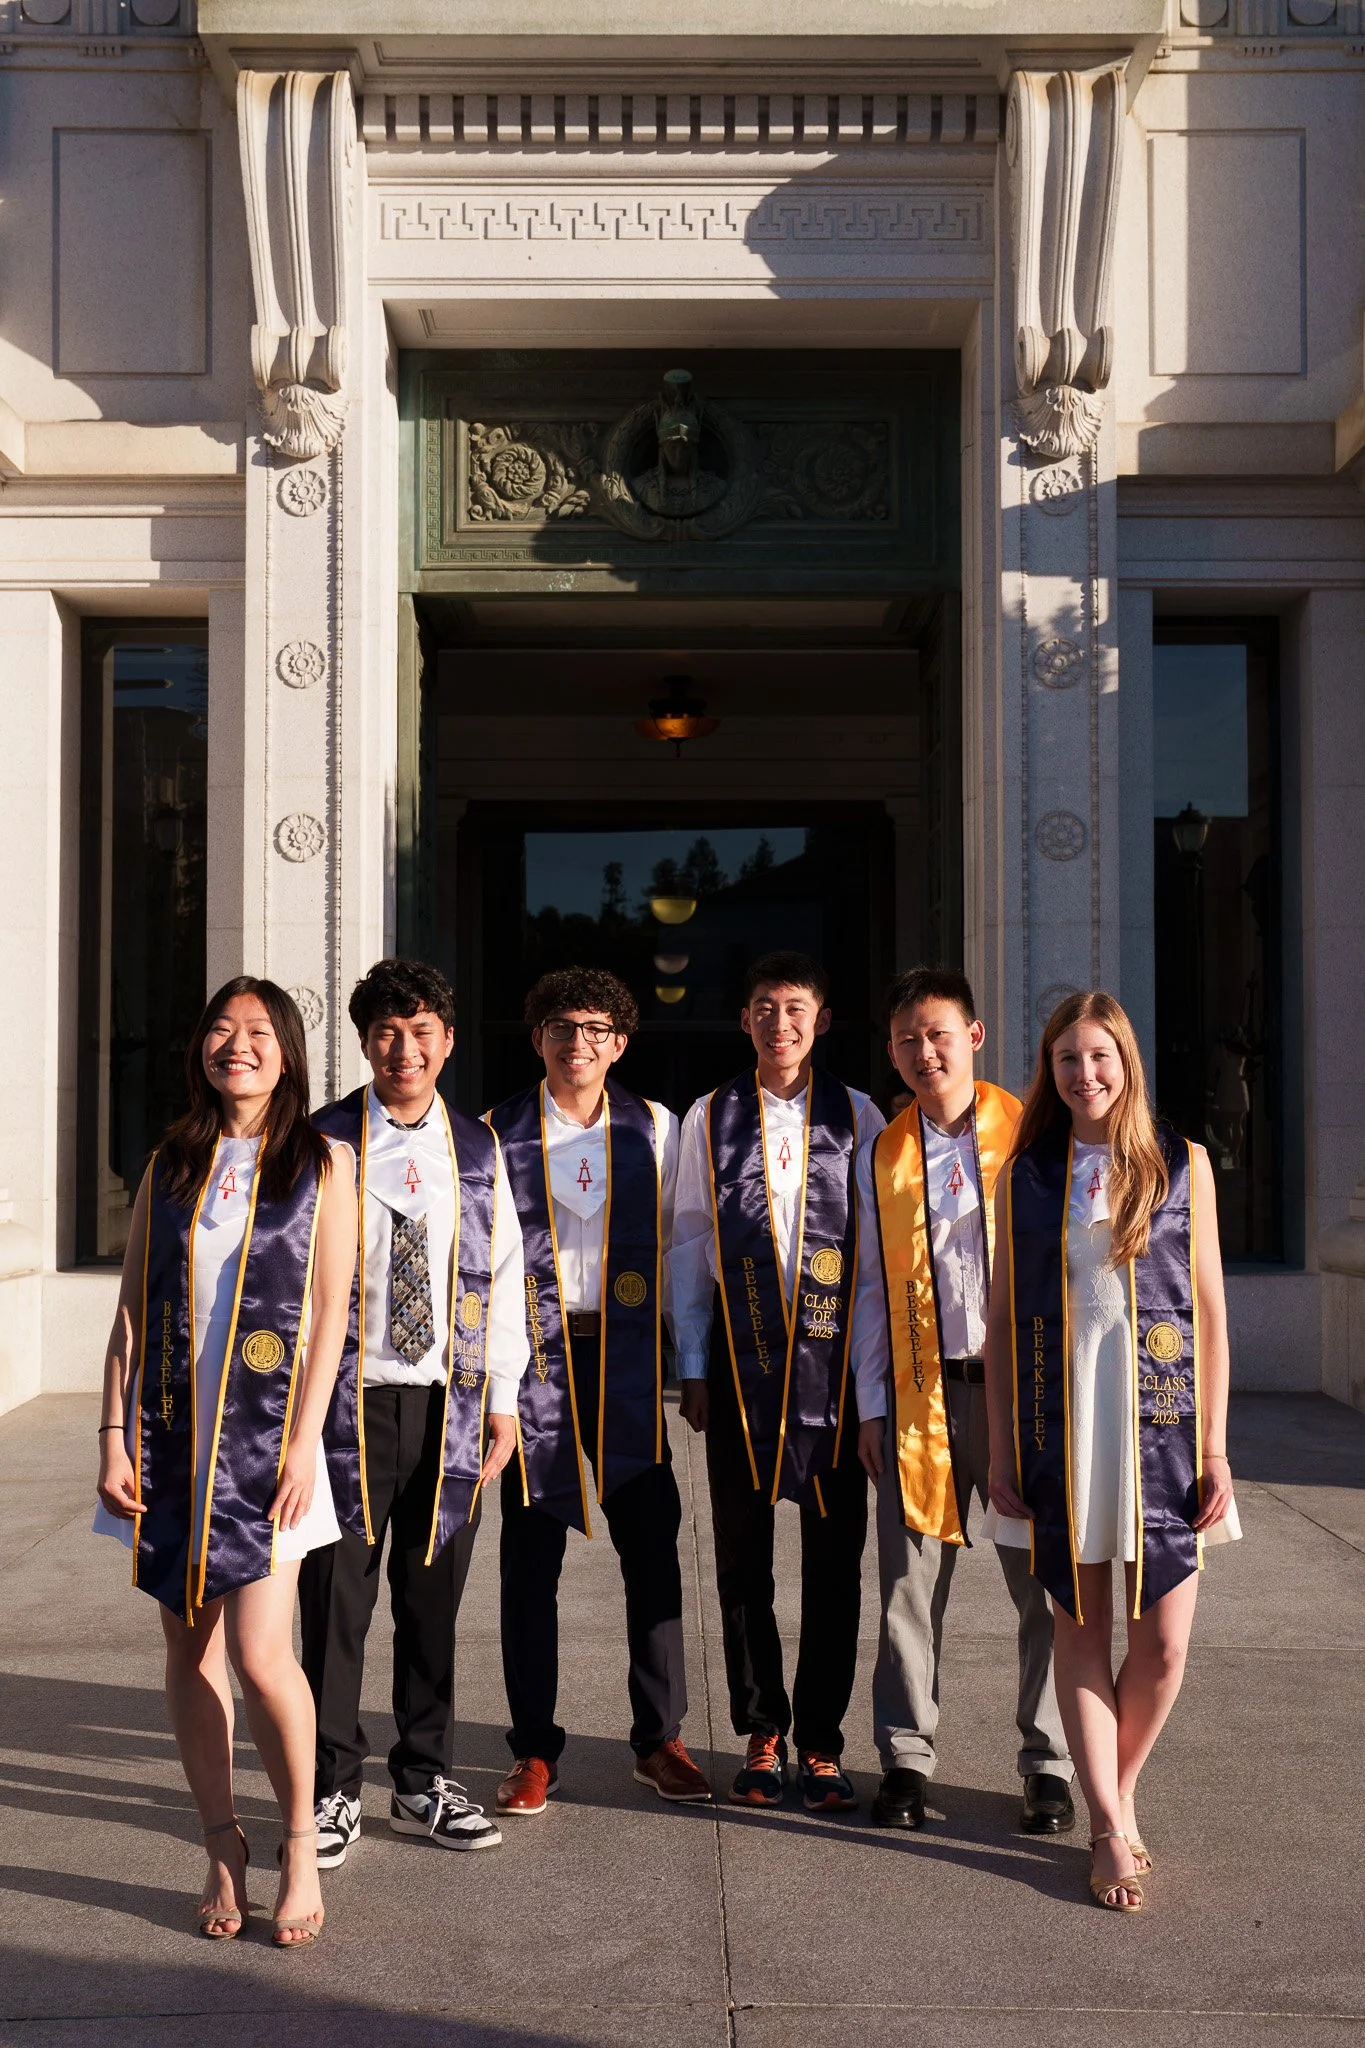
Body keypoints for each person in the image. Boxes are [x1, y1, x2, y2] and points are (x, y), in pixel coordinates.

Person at [95, 977, 357, 1948]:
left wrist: (304, 1440)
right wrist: (113, 1434)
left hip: (272, 1447)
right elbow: (131, 1309)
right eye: (218, 1027)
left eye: (256, 1031)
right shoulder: (172, 1158)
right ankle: (221, 1844)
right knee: (188, 1649)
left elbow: (331, 1311)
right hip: (168, 1443)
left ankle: (297, 1842)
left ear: (286, 1052)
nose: (233, 1043)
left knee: (258, 1652)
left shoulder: (321, 1161)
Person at [984, 990, 1240, 1912]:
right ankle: (1105, 1822)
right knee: (1080, 1627)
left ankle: (1116, 1790)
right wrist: (1006, 1454)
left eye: (1099, 1057)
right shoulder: (1027, 1172)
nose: (1083, 1075)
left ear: (1126, 1062)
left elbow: (1207, 1309)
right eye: (1065, 1060)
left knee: (1165, 1646)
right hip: (1067, 1427)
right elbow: (1006, 1322)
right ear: (1047, 1073)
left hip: (1163, 1425)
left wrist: (1212, 1444)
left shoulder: (1183, 1163)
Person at [301, 958, 529, 1866]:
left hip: (451, 1402)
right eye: (388, 1032)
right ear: (363, 1042)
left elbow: (508, 1274)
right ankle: (327, 1788)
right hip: (344, 1405)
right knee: (335, 1602)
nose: (406, 1048)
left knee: (433, 1597)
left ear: (446, 1040)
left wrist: (504, 1397)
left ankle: (423, 1777)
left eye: (423, 1029)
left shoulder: (476, 1146)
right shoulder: (319, 1140)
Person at [852, 968, 1074, 1833]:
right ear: (890, 1050)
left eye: (937, 1033)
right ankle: (905, 1758)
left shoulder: (1028, 1133)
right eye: (906, 1038)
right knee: (908, 1588)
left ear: (974, 1037)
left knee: (1044, 1588)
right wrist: (872, 1406)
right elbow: (872, 1285)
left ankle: (1048, 1763)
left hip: (1024, 1396)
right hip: (923, 1392)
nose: (922, 1051)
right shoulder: (886, 1148)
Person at [486, 967, 710, 1813]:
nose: (574, 1042)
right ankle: (533, 1750)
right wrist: (492, 1388)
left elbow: (685, 1253)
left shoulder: (657, 1127)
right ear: (535, 1037)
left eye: (592, 1028)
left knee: (651, 1551)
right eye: (557, 1026)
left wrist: (689, 1363)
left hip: (627, 1362)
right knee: (528, 1558)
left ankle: (659, 1739)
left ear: (620, 1042)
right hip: (534, 1362)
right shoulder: (496, 1131)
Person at [671, 951, 884, 1810]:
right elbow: (688, 1244)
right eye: (764, 1007)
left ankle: (823, 1742)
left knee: (836, 1561)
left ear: (821, 1019)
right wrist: (690, 1363)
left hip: (832, 1364)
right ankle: (762, 1728)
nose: (780, 1022)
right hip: (739, 1358)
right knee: (741, 1555)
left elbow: (872, 1265)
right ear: (745, 1020)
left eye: (795, 1007)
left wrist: (871, 1394)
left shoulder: (861, 1116)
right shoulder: (708, 1116)